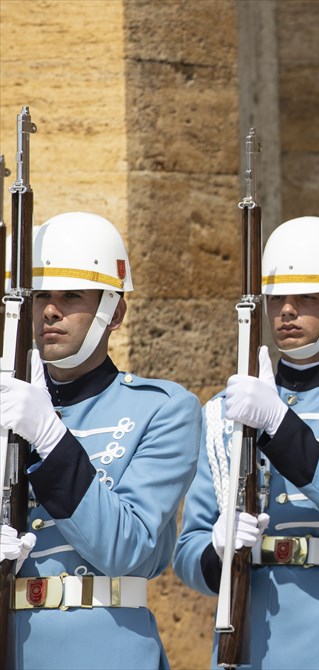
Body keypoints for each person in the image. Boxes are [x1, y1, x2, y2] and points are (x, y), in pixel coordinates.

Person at [173, 216, 319, 669]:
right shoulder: (225, 411)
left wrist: (280, 424)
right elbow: (186, 555)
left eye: (306, 297)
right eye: (278, 297)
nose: (286, 310)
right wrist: (216, 549)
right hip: (249, 639)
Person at [0, 212, 201, 669]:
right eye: (40, 296)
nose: (50, 310)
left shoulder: (163, 409)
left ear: (115, 311)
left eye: (71, 295)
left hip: (105, 647)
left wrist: (51, 438)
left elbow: (127, 548)